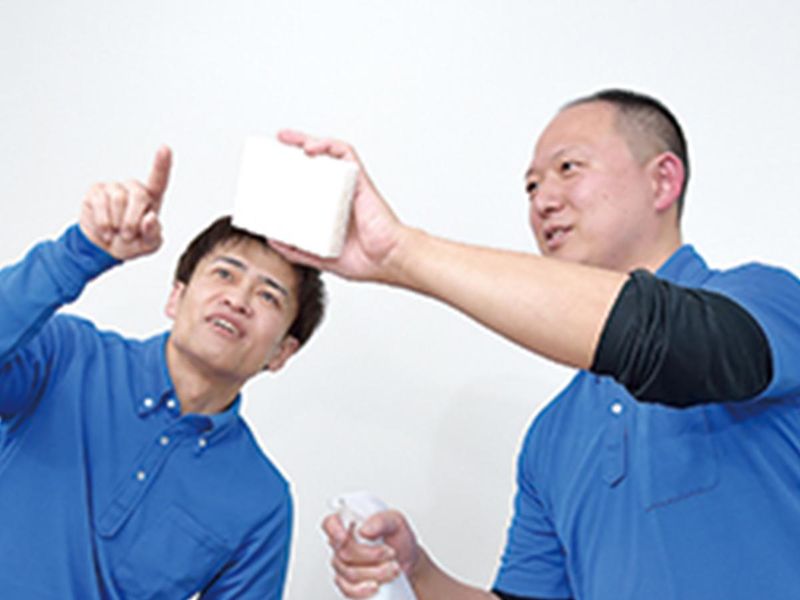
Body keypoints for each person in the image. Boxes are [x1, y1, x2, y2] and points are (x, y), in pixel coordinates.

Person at [273, 89, 800, 599]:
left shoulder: (768, 301)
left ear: (663, 181)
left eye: (569, 168)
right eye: (531, 187)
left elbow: (667, 340)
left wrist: (399, 252)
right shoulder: (552, 434)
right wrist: (419, 574)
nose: (543, 201)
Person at [0, 147, 324, 599]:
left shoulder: (263, 502)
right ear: (176, 297)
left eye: (268, 296)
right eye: (225, 274)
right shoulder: (67, 354)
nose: (237, 300)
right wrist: (81, 252)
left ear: (282, 353)